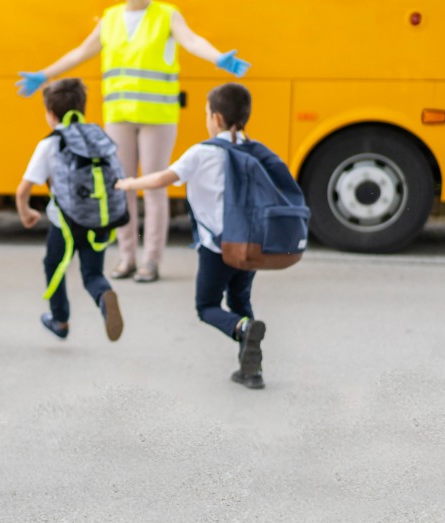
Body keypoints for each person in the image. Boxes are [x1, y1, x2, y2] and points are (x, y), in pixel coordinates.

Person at [16, 0, 249, 283]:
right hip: (118, 115)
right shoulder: (110, 18)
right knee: (120, 186)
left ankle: (150, 261)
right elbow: (81, 52)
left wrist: (217, 57)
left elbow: (191, 41)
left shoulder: (166, 15)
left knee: (154, 186)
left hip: (157, 116)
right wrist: (45, 75)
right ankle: (127, 257)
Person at [116, 83, 267, 388]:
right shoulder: (255, 150)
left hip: (216, 247)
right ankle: (251, 371)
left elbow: (161, 178)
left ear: (216, 117)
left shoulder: (202, 152)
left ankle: (242, 328)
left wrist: (129, 184)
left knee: (207, 306)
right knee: (240, 299)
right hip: (250, 245)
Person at [16, 78, 124, 342]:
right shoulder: (98, 138)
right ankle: (103, 297)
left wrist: (26, 212)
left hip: (64, 223)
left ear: (51, 114)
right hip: (98, 219)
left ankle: (60, 319)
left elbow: (23, 189)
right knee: (92, 274)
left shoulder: (51, 143)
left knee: (54, 265)